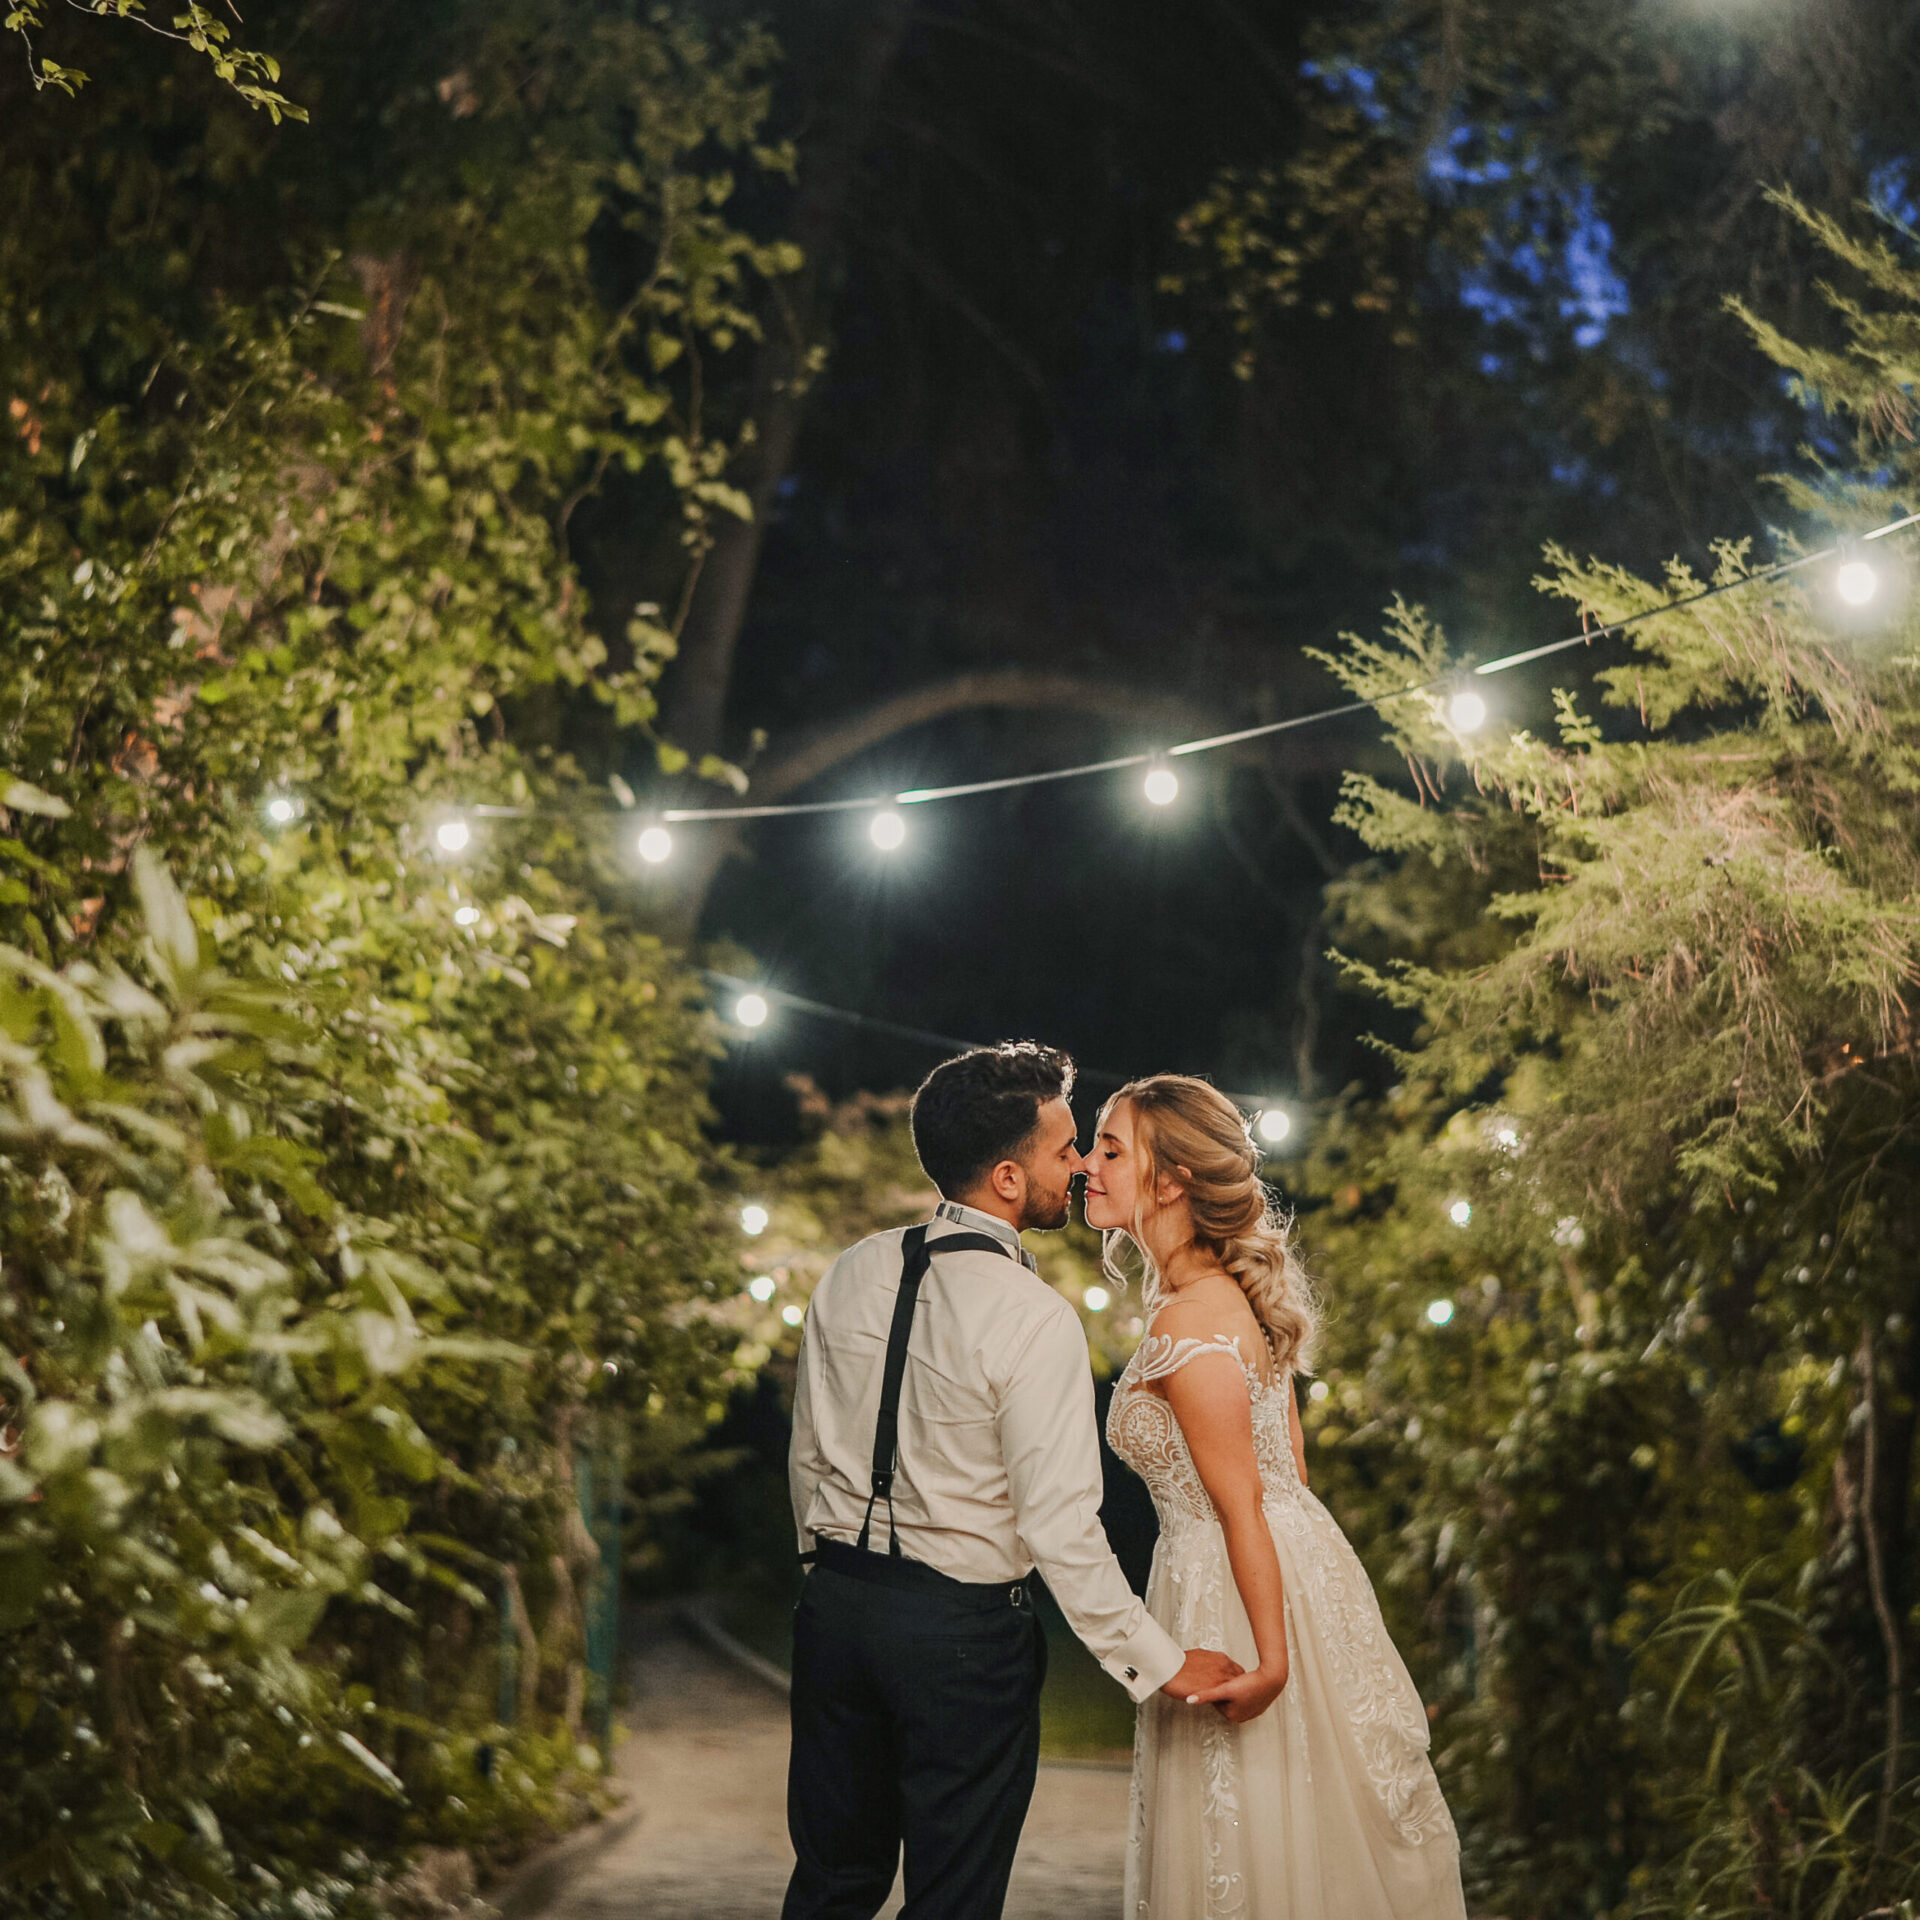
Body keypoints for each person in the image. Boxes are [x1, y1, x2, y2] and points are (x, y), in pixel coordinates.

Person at [784, 1042, 1243, 1920]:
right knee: (953, 1900)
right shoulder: (1036, 1318)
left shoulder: (849, 1271)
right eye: (1065, 1149)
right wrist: (1161, 1663)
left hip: (833, 1615)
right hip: (961, 1641)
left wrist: (826, 1576)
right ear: (1006, 1177)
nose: (1081, 1166)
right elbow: (1061, 1527)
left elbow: (808, 1455)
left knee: (831, 1884)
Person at [1089, 1074, 1469, 1920]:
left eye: (1111, 1150)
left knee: (1246, 1828)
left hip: (1228, 1583)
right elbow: (1289, 1468)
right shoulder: (1230, 1303)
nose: (1087, 1165)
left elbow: (1243, 1504)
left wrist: (1271, 1663)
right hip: (1284, 1569)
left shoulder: (1189, 1321)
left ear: (1172, 1180)